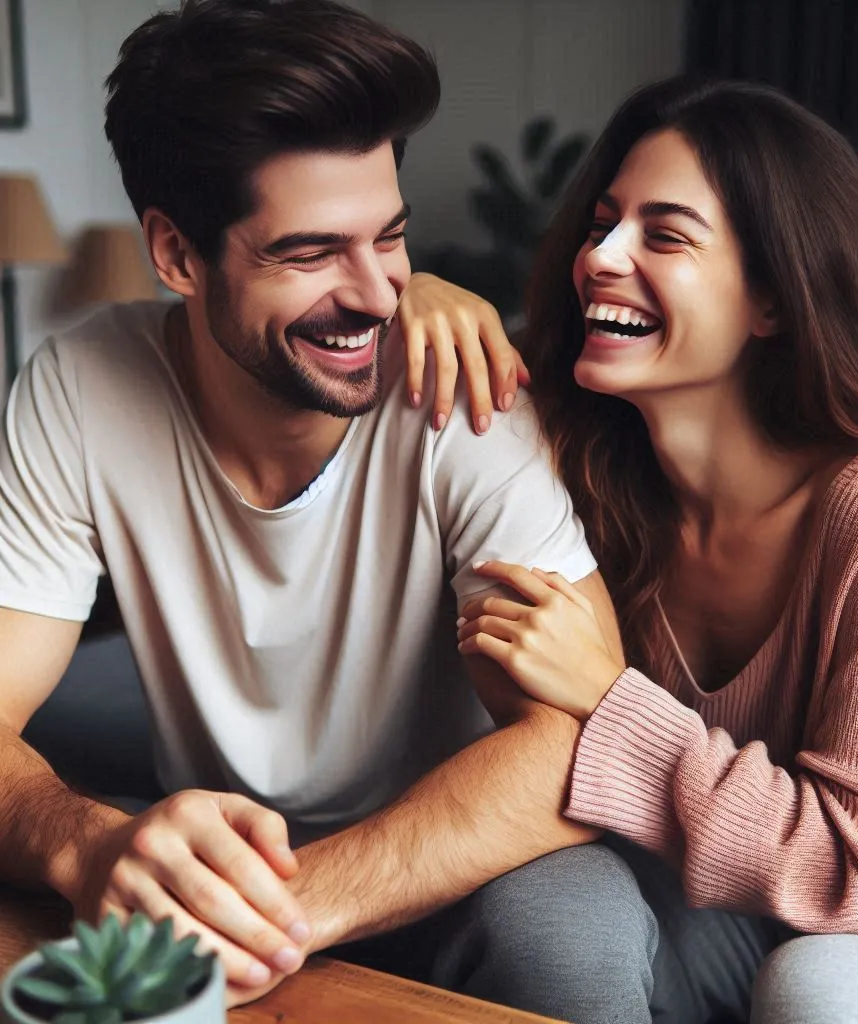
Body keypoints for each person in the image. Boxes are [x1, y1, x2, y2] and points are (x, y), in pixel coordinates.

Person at [0, 3, 663, 1021]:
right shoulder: (79, 386)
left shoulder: (460, 391)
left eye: (389, 238)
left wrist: (292, 907)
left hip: (461, 847)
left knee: (582, 939)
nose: (375, 294)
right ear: (177, 256)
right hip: (237, 841)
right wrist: (83, 842)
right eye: (311, 253)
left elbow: (572, 738)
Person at [457, 76, 858, 1023]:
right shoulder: (580, 470)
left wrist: (608, 699)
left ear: (772, 299)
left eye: (664, 235)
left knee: (820, 993)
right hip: (725, 905)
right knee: (546, 921)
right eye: (602, 225)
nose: (601, 257)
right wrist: (423, 297)